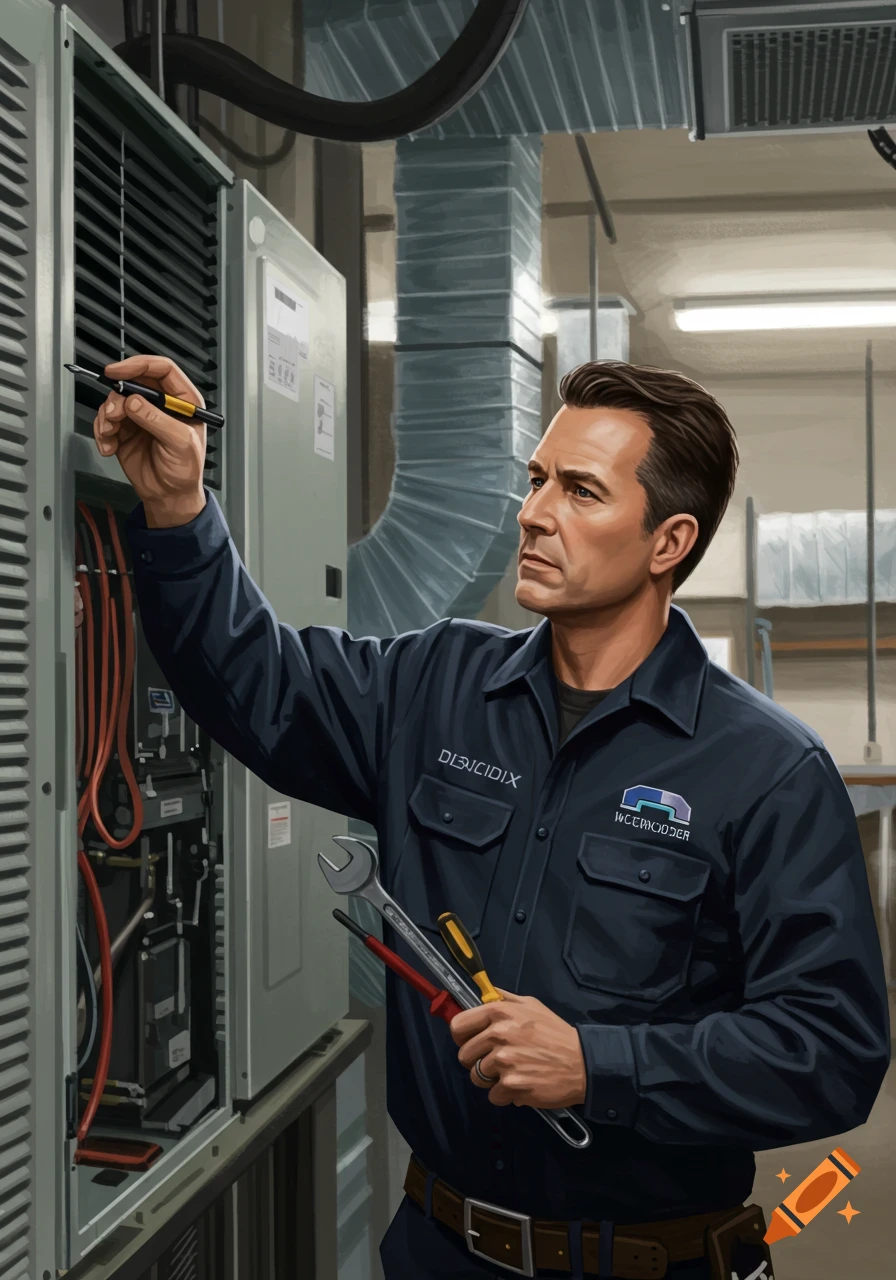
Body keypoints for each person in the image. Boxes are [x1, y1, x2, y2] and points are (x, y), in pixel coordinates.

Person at [95, 353, 889, 1280]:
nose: (534, 512)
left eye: (581, 491)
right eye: (537, 479)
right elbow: (256, 680)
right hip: (438, 1249)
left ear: (668, 542)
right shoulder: (434, 683)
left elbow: (831, 1051)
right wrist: (179, 505)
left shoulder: (768, 769)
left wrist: (599, 1065)